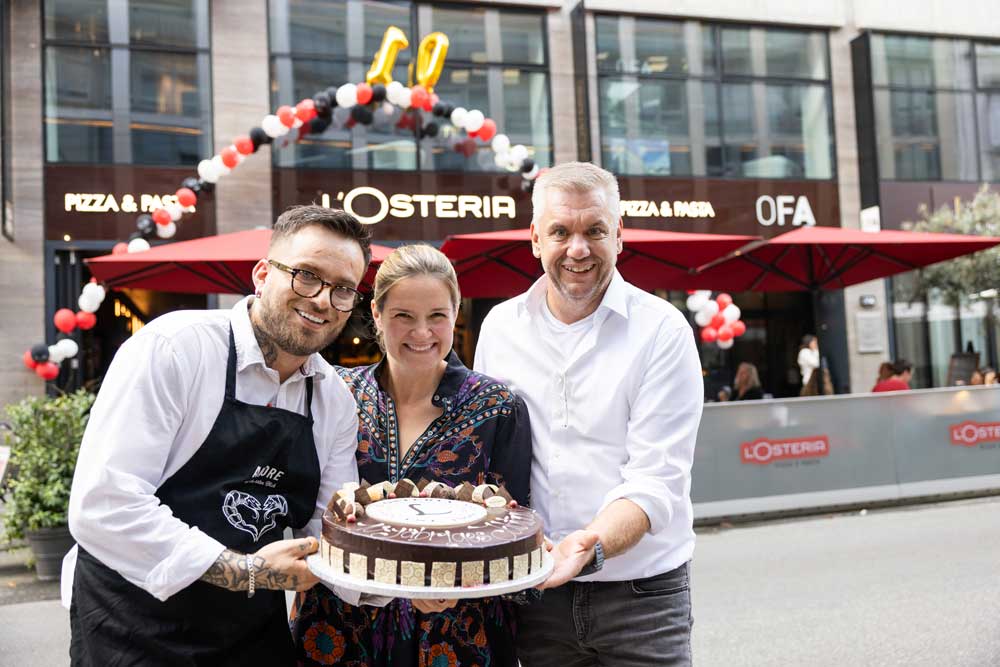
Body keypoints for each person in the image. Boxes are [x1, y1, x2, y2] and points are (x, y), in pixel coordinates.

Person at [64, 205, 371, 666]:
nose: (323, 300)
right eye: (306, 275)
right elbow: (105, 504)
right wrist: (246, 571)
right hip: (133, 626)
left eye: (343, 289)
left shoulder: (334, 401)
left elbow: (330, 530)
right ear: (263, 274)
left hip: (248, 632)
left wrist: (401, 583)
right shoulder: (174, 349)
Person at [475, 162, 704, 666]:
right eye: (561, 231)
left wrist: (590, 545)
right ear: (535, 238)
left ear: (619, 235)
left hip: (643, 597)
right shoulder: (498, 328)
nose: (577, 249)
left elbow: (655, 480)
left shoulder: (663, 331)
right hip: (534, 594)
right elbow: (489, 459)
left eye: (594, 230)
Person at [292, 244, 532, 666]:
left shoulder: (497, 406)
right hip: (340, 629)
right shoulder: (335, 392)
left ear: (455, 314)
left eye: (437, 316)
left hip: (459, 634)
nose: (422, 332)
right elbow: (305, 506)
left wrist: (455, 583)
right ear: (378, 317)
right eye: (404, 315)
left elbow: (512, 530)